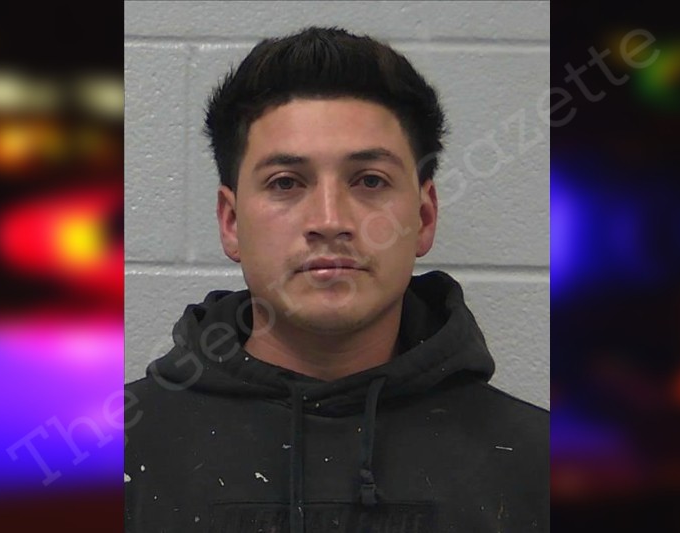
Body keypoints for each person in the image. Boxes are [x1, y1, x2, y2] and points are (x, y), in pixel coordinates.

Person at [124, 26, 548, 533]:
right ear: (231, 222)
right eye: (286, 182)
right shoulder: (114, 455)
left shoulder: (540, 467)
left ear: (424, 217)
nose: (329, 220)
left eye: (370, 180)